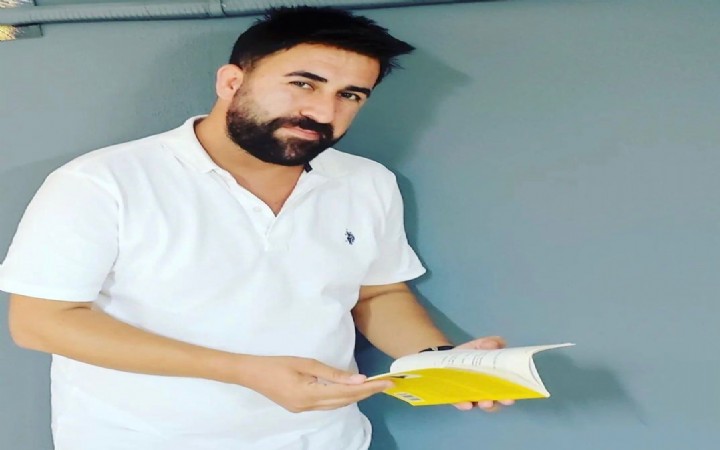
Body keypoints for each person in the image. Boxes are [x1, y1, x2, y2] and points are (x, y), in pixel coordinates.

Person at [0, 6, 511, 450]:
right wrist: (243, 371)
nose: (322, 111)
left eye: (351, 95)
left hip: (325, 438)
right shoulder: (102, 181)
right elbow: (41, 321)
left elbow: (377, 293)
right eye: (303, 84)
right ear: (231, 82)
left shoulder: (366, 182)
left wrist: (439, 362)